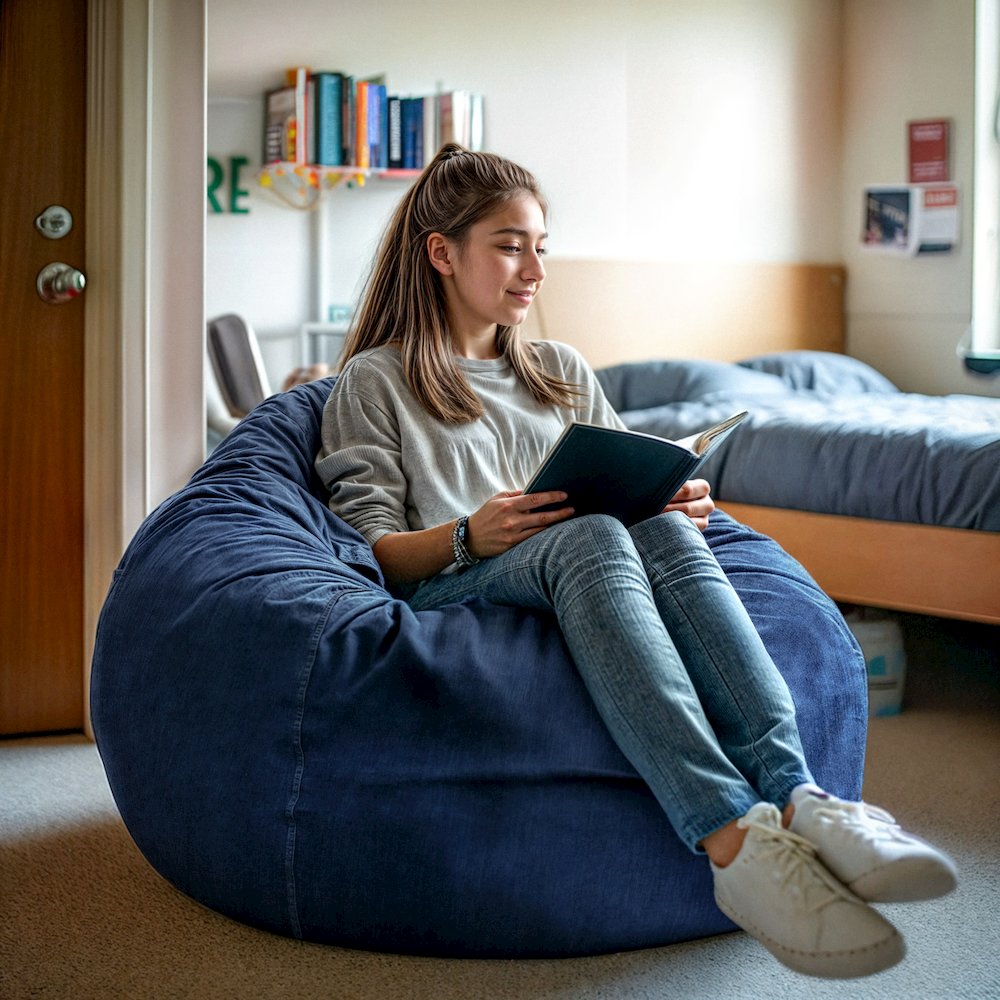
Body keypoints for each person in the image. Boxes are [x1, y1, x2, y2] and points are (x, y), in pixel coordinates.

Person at [315, 143, 956, 979]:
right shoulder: (375, 381)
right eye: (511, 245)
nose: (535, 268)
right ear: (442, 252)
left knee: (658, 529)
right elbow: (370, 552)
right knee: (588, 535)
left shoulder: (561, 370)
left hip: (589, 559)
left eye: (542, 245)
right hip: (461, 578)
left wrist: (673, 494)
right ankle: (732, 841)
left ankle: (802, 797)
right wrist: (476, 531)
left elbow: (627, 479)